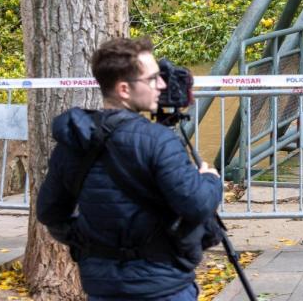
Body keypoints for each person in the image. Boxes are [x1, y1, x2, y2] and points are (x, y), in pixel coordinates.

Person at [37, 37, 222, 300]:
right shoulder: (159, 141)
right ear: (124, 89)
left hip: (103, 286)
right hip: (162, 286)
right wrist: (210, 180)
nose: (161, 84)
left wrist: (89, 242)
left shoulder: (74, 142)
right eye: (152, 78)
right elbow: (197, 204)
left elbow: (49, 212)